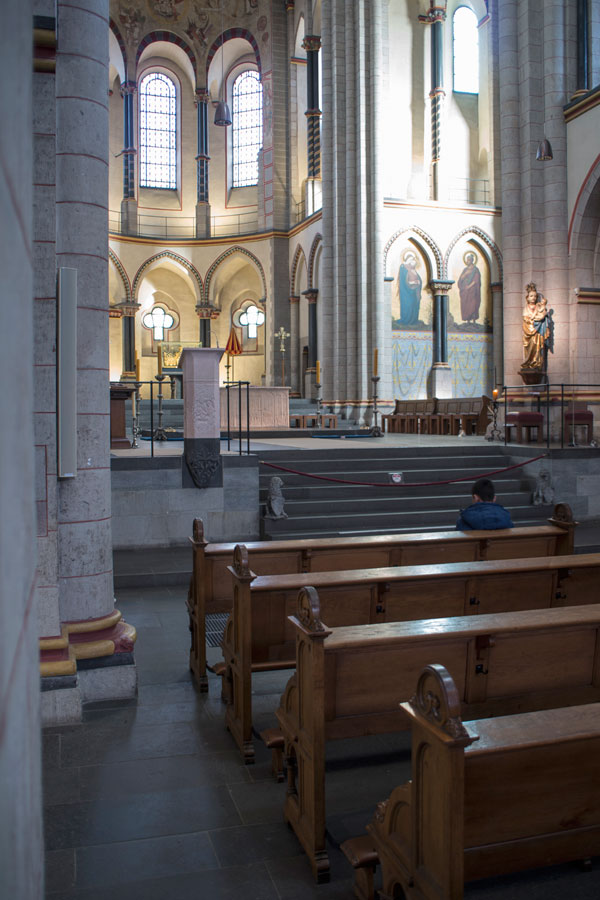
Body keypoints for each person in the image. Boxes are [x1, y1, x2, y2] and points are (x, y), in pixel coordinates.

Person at [522, 282, 551, 370]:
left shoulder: (538, 306)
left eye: (535, 296)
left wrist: (540, 316)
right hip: (529, 331)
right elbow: (526, 319)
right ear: (527, 298)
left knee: (537, 346)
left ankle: (536, 363)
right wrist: (534, 320)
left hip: (537, 333)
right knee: (529, 346)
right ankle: (529, 362)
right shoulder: (526, 308)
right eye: (531, 296)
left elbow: (542, 315)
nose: (533, 298)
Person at [398, 251, 422, 326]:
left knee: (414, 305)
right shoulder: (403, 267)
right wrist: (412, 284)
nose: (413, 261)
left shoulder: (413, 269)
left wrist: (418, 283)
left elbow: (418, 279)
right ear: (407, 259)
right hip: (406, 292)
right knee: (408, 305)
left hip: (414, 292)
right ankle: (406, 321)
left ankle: (414, 321)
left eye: (413, 259)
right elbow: (403, 281)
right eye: (411, 259)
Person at [457, 251, 482, 322]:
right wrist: (464, 276)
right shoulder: (465, 270)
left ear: (472, 260)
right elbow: (461, 279)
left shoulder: (475, 270)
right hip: (465, 290)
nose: (467, 261)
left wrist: (469, 286)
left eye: (468, 260)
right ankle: (468, 319)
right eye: (467, 260)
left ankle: (473, 319)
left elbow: (476, 280)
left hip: (472, 290)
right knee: (466, 304)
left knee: (473, 304)